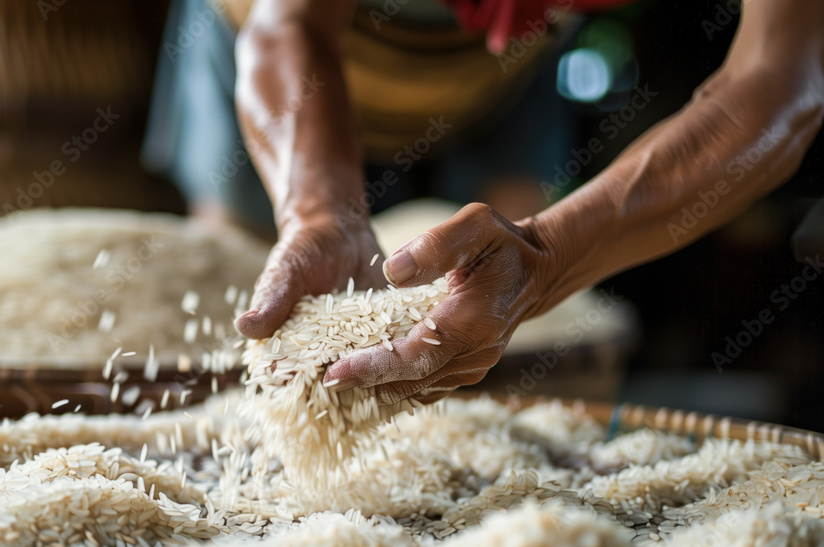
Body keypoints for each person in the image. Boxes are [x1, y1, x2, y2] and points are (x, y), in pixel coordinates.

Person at [146, 0, 824, 407]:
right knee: (245, 268)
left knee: (474, 287)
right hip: (271, 45)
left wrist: (546, 255)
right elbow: (290, 20)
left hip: (506, 64)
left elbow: (781, 81)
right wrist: (319, 212)